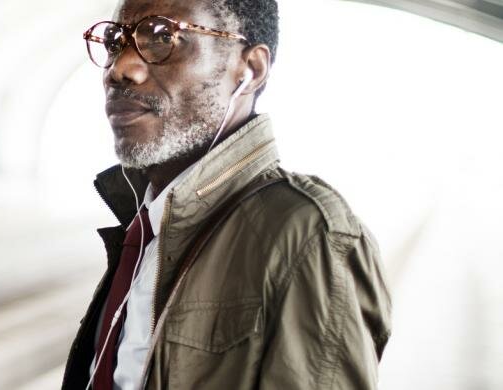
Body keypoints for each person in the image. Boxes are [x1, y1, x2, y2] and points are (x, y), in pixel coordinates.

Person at [59, 0, 392, 389]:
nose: (120, 69)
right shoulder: (148, 223)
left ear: (249, 70)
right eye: (116, 42)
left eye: (164, 36)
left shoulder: (307, 234)